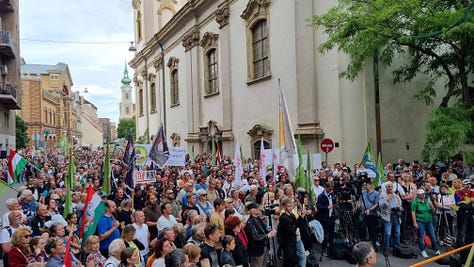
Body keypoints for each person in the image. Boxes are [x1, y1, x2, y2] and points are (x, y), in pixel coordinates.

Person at [411, 189, 440, 258]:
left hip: (429, 220)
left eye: (423, 194)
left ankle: (436, 249)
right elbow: (413, 212)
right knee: (421, 236)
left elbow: (433, 210)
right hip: (420, 220)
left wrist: (431, 205)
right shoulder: (415, 202)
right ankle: (423, 250)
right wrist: (415, 222)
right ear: (418, 195)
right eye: (421, 194)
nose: (423, 195)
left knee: (432, 235)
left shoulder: (427, 201)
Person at [245, 202, 275, 267]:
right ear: (251, 210)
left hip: (264, 247)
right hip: (257, 250)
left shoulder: (258, 219)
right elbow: (255, 237)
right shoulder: (250, 222)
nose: (258, 210)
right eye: (256, 208)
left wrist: (269, 230)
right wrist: (267, 235)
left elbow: (264, 229)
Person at [379, 181, 403, 256]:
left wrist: (400, 208)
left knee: (397, 233)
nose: (390, 188)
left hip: (396, 215)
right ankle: (386, 249)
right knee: (387, 234)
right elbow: (381, 206)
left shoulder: (396, 195)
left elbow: (400, 204)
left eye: (391, 187)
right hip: (388, 216)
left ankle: (396, 248)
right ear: (385, 187)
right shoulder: (382, 195)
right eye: (388, 187)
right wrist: (387, 200)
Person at [357, 180, 379, 247]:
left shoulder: (376, 193)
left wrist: (370, 209)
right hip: (363, 213)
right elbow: (360, 200)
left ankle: (374, 243)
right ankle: (362, 244)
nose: (365, 187)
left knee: (372, 229)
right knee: (363, 228)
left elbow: (376, 204)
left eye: (366, 185)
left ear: (370, 185)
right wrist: (358, 206)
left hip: (372, 214)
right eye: (364, 185)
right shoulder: (363, 192)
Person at [277, 196, 298, 266]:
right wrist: (294, 227)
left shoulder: (292, 215)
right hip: (287, 242)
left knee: (293, 260)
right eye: (288, 206)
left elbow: (297, 224)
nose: (291, 207)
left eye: (291, 206)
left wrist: (294, 226)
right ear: (285, 207)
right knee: (288, 261)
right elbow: (291, 230)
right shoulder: (283, 217)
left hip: (293, 240)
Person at [317, 181, 336, 253]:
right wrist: (327, 207)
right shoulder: (321, 196)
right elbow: (319, 206)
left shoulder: (332, 194)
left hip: (332, 217)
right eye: (330, 189)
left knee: (331, 233)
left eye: (332, 189)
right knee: (325, 233)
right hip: (325, 218)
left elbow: (334, 203)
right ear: (326, 188)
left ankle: (331, 247)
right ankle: (324, 248)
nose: (331, 191)